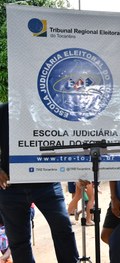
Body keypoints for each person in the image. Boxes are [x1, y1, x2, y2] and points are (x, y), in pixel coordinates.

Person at [0, 103, 79, 263]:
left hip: (46, 182)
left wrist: (79, 168)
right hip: (10, 186)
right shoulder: (3, 112)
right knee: (19, 243)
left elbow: (69, 137)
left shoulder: (51, 108)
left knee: (63, 229)